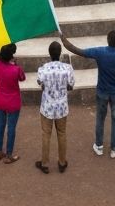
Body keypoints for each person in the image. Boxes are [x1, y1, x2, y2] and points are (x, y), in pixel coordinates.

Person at [60, 30, 115, 158]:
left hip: (102, 92)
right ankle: (114, 148)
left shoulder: (100, 52)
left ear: (108, 40)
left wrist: (64, 41)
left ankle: (99, 146)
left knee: (100, 118)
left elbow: (79, 51)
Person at [36, 40, 75, 173]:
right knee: (62, 134)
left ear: (49, 54)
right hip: (61, 107)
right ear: (60, 53)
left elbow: (40, 83)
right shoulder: (67, 68)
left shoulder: (43, 69)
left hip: (47, 107)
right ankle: (62, 162)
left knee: (46, 135)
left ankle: (45, 163)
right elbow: (71, 86)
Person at [0, 44, 26, 163]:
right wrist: (15, 64)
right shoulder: (16, 69)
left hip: (0, 100)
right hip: (13, 102)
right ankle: (9, 154)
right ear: (11, 57)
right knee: (11, 128)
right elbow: (22, 78)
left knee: (0, 125)